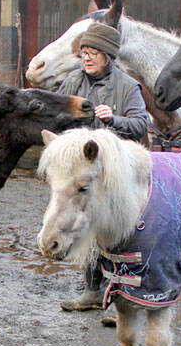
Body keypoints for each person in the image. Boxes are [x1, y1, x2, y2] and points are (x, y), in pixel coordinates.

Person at [54, 20, 151, 315]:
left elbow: (141, 124)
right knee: (84, 227)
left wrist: (114, 120)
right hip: (83, 172)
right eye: (83, 51)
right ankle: (92, 291)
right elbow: (56, 112)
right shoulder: (73, 82)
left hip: (115, 174)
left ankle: (123, 298)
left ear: (108, 55)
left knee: (119, 236)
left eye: (93, 51)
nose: (86, 57)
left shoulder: (126, 86)